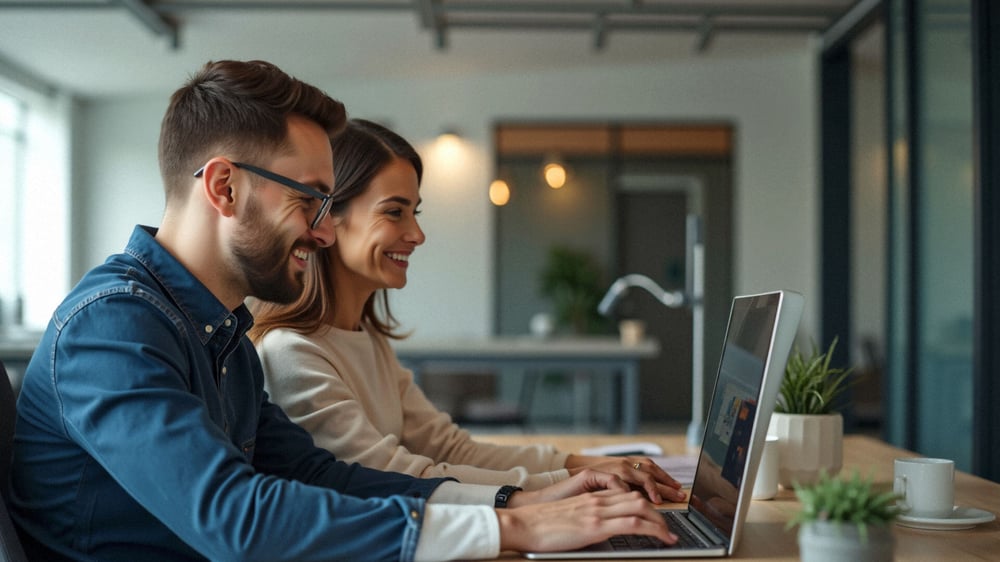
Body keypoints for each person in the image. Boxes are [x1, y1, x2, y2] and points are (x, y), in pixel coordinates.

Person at [8, 60, 677, 561]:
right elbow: (234, 517)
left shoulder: (222, 337)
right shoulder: (112, 328)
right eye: (312, 201)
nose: (324, 234)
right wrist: (512, 526)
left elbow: (319, 474)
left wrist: (519, 501)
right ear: (224, 186)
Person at [248, 119, 686, 503]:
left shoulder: (365, 337)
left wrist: (584, 464)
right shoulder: (293, 352)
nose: (416, 234)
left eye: (414, 213)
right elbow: (392, 476)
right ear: (329, 219)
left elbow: (448, 449)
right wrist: (563, 481)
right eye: (395, 212)